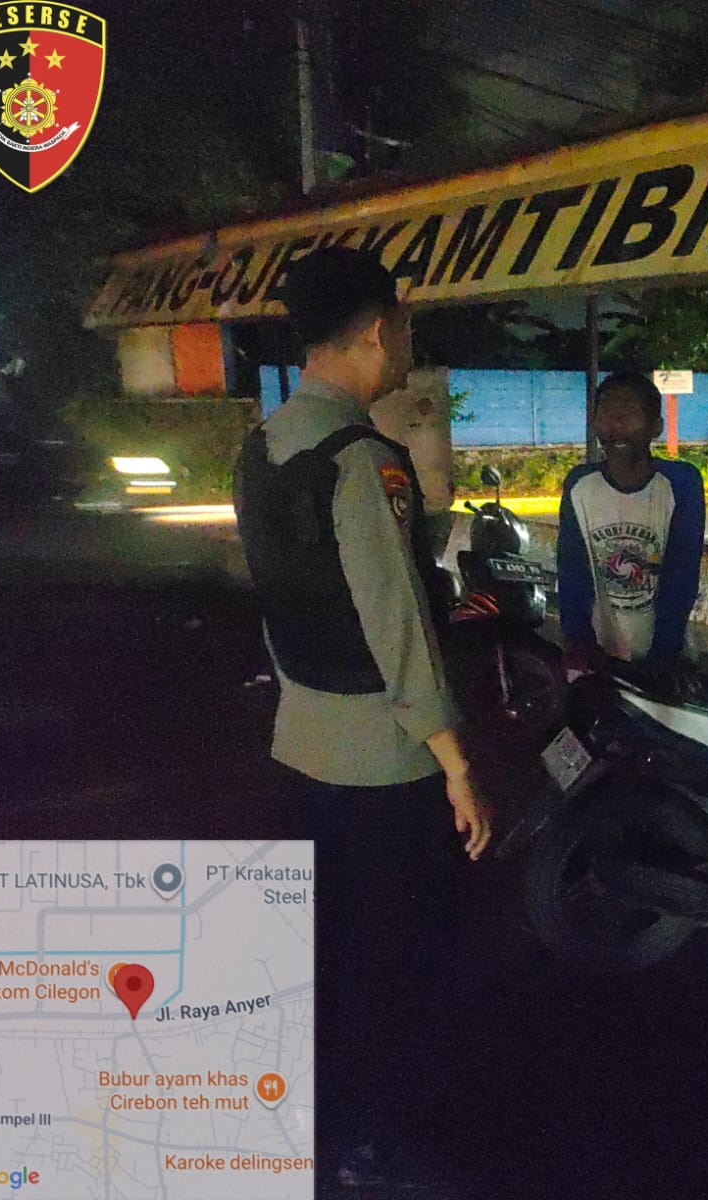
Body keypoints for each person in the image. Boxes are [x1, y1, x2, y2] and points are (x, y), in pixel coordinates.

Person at [230, 246, 489, 1187]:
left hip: (301, 744)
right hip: (383, 765)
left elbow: (276, 597)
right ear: (379, 329)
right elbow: (399, 623)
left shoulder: (262, 449)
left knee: (330, 948)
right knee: (394, 961)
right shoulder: (362, 461)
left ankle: (327, 1123)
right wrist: (456, 764)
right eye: (403, 324)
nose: (406, 341)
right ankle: (375, 1146)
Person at [557, 370, 706, 696]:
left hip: (665, 656)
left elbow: (681, 577)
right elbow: (572, 571)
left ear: (656, 426)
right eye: (607, 412)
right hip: (599, 655)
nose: (617, 422)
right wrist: (578, 642)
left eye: (630, 412)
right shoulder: (580, 486)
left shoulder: (680, 484)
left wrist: (664, 654)